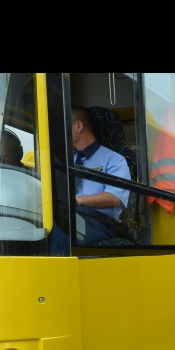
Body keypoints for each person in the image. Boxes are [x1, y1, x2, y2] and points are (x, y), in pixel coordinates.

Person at [71, 105, 130, 245]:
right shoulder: (66, 159)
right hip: (67, 217)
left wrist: (77, 200)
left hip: (98, 222)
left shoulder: (114, 160)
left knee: (60, 239)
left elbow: (115, 198)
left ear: (79, 126)